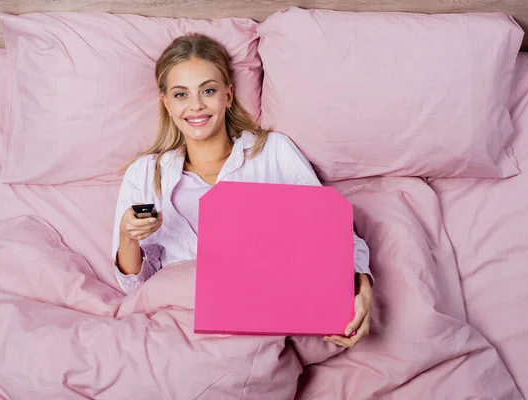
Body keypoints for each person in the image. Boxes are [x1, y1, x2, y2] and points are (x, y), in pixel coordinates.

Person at [112, 34, 373, 349]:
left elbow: (332, 233)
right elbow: (134, 286)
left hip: (259, 318)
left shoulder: (272, 152)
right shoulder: (145, 173)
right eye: (181, 94)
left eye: (208, 91)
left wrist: (364, 291)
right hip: (176, 323)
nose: (196, 105)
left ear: (228, 96)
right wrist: (129, 237)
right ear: (167, 103)